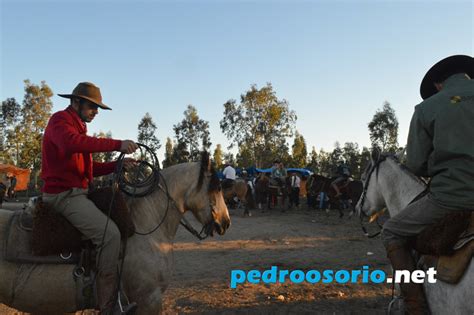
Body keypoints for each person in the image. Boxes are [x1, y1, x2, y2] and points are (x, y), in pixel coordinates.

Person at [381, 55, 474, 314]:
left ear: (438, 85)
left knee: (392, 231)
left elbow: (417, 164)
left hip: (453, 196)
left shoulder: (428, 108)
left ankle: (413, 304)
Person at [40, 82, 139, 315]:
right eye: (92, 107)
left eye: (97, 108)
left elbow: (88, 165)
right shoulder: (60, 122)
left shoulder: (77, 127)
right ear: (76, 102)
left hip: (77, 193)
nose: (95, 112)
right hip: (63, 196)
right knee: (110, 235)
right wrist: (117, 144)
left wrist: (117, 164)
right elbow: (71, 143)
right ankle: (108, 307)